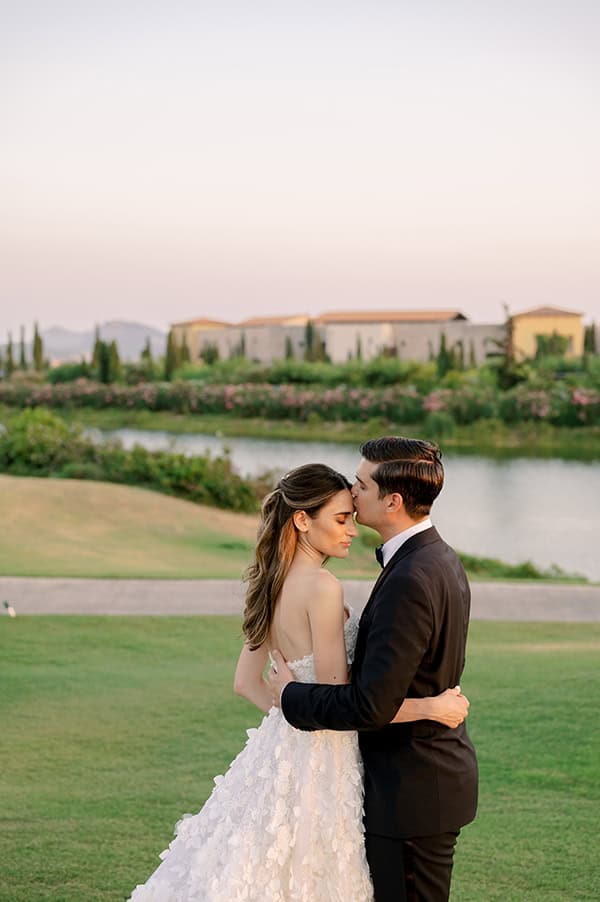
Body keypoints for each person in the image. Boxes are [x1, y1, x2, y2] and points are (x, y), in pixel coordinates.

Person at [129, 463, 469, 902]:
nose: (351, 530)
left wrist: (287, 721)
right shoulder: (323, 587)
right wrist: (429, 707)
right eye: (341, 519)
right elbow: (342, 700)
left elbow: (246, 683)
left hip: (279, 751)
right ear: (302, 520)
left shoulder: (272, 581)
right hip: (323, 763)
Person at [269, 440, 479, 902]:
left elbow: (369, 704)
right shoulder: (436, 558)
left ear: (392, 501)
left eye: (361, 485)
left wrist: (290, 696)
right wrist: (431, 704)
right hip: (418, 784)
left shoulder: (410, 577)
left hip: (412, 793)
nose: (352, 490)